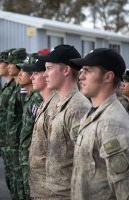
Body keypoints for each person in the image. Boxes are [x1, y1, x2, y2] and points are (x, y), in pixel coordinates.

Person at [69, 48, 129, 199]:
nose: (80, 76)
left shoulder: (113, 124)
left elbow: (126, 192)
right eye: (81, 71)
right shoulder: (93, 113)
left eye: (87, 71)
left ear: (108, 76)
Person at [39, 44, 91, 199]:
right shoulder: (59, 103)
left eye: (49, 68)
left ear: (66, 70)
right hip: (52, 191)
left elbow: (86, 161)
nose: (44, 74)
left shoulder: (78, 107)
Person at [27, 50, 59, 199]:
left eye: (36, 73)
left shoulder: (55, 107)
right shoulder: (43, 104)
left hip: (50, 188)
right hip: (39, 185)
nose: (31, 77)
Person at [17, 53, 43, 199]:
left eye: (26, 71)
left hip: (32, 156)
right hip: (25, 152)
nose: (22, 74)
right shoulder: (29, 96)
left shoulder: (37, 98)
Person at [0, 49, 18, 198]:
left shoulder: (17, 88)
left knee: (17, 184)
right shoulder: (8, 86)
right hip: (6, 142)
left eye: (0, 63)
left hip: (13, 144)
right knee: (10, 181)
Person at [6, 48, 28, 200]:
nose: (8, 66)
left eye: (11, 63)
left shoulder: (24, 89)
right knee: (13, 180)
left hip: (20, 144)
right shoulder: (16, 87)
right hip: (13, 142)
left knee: (21, 183)